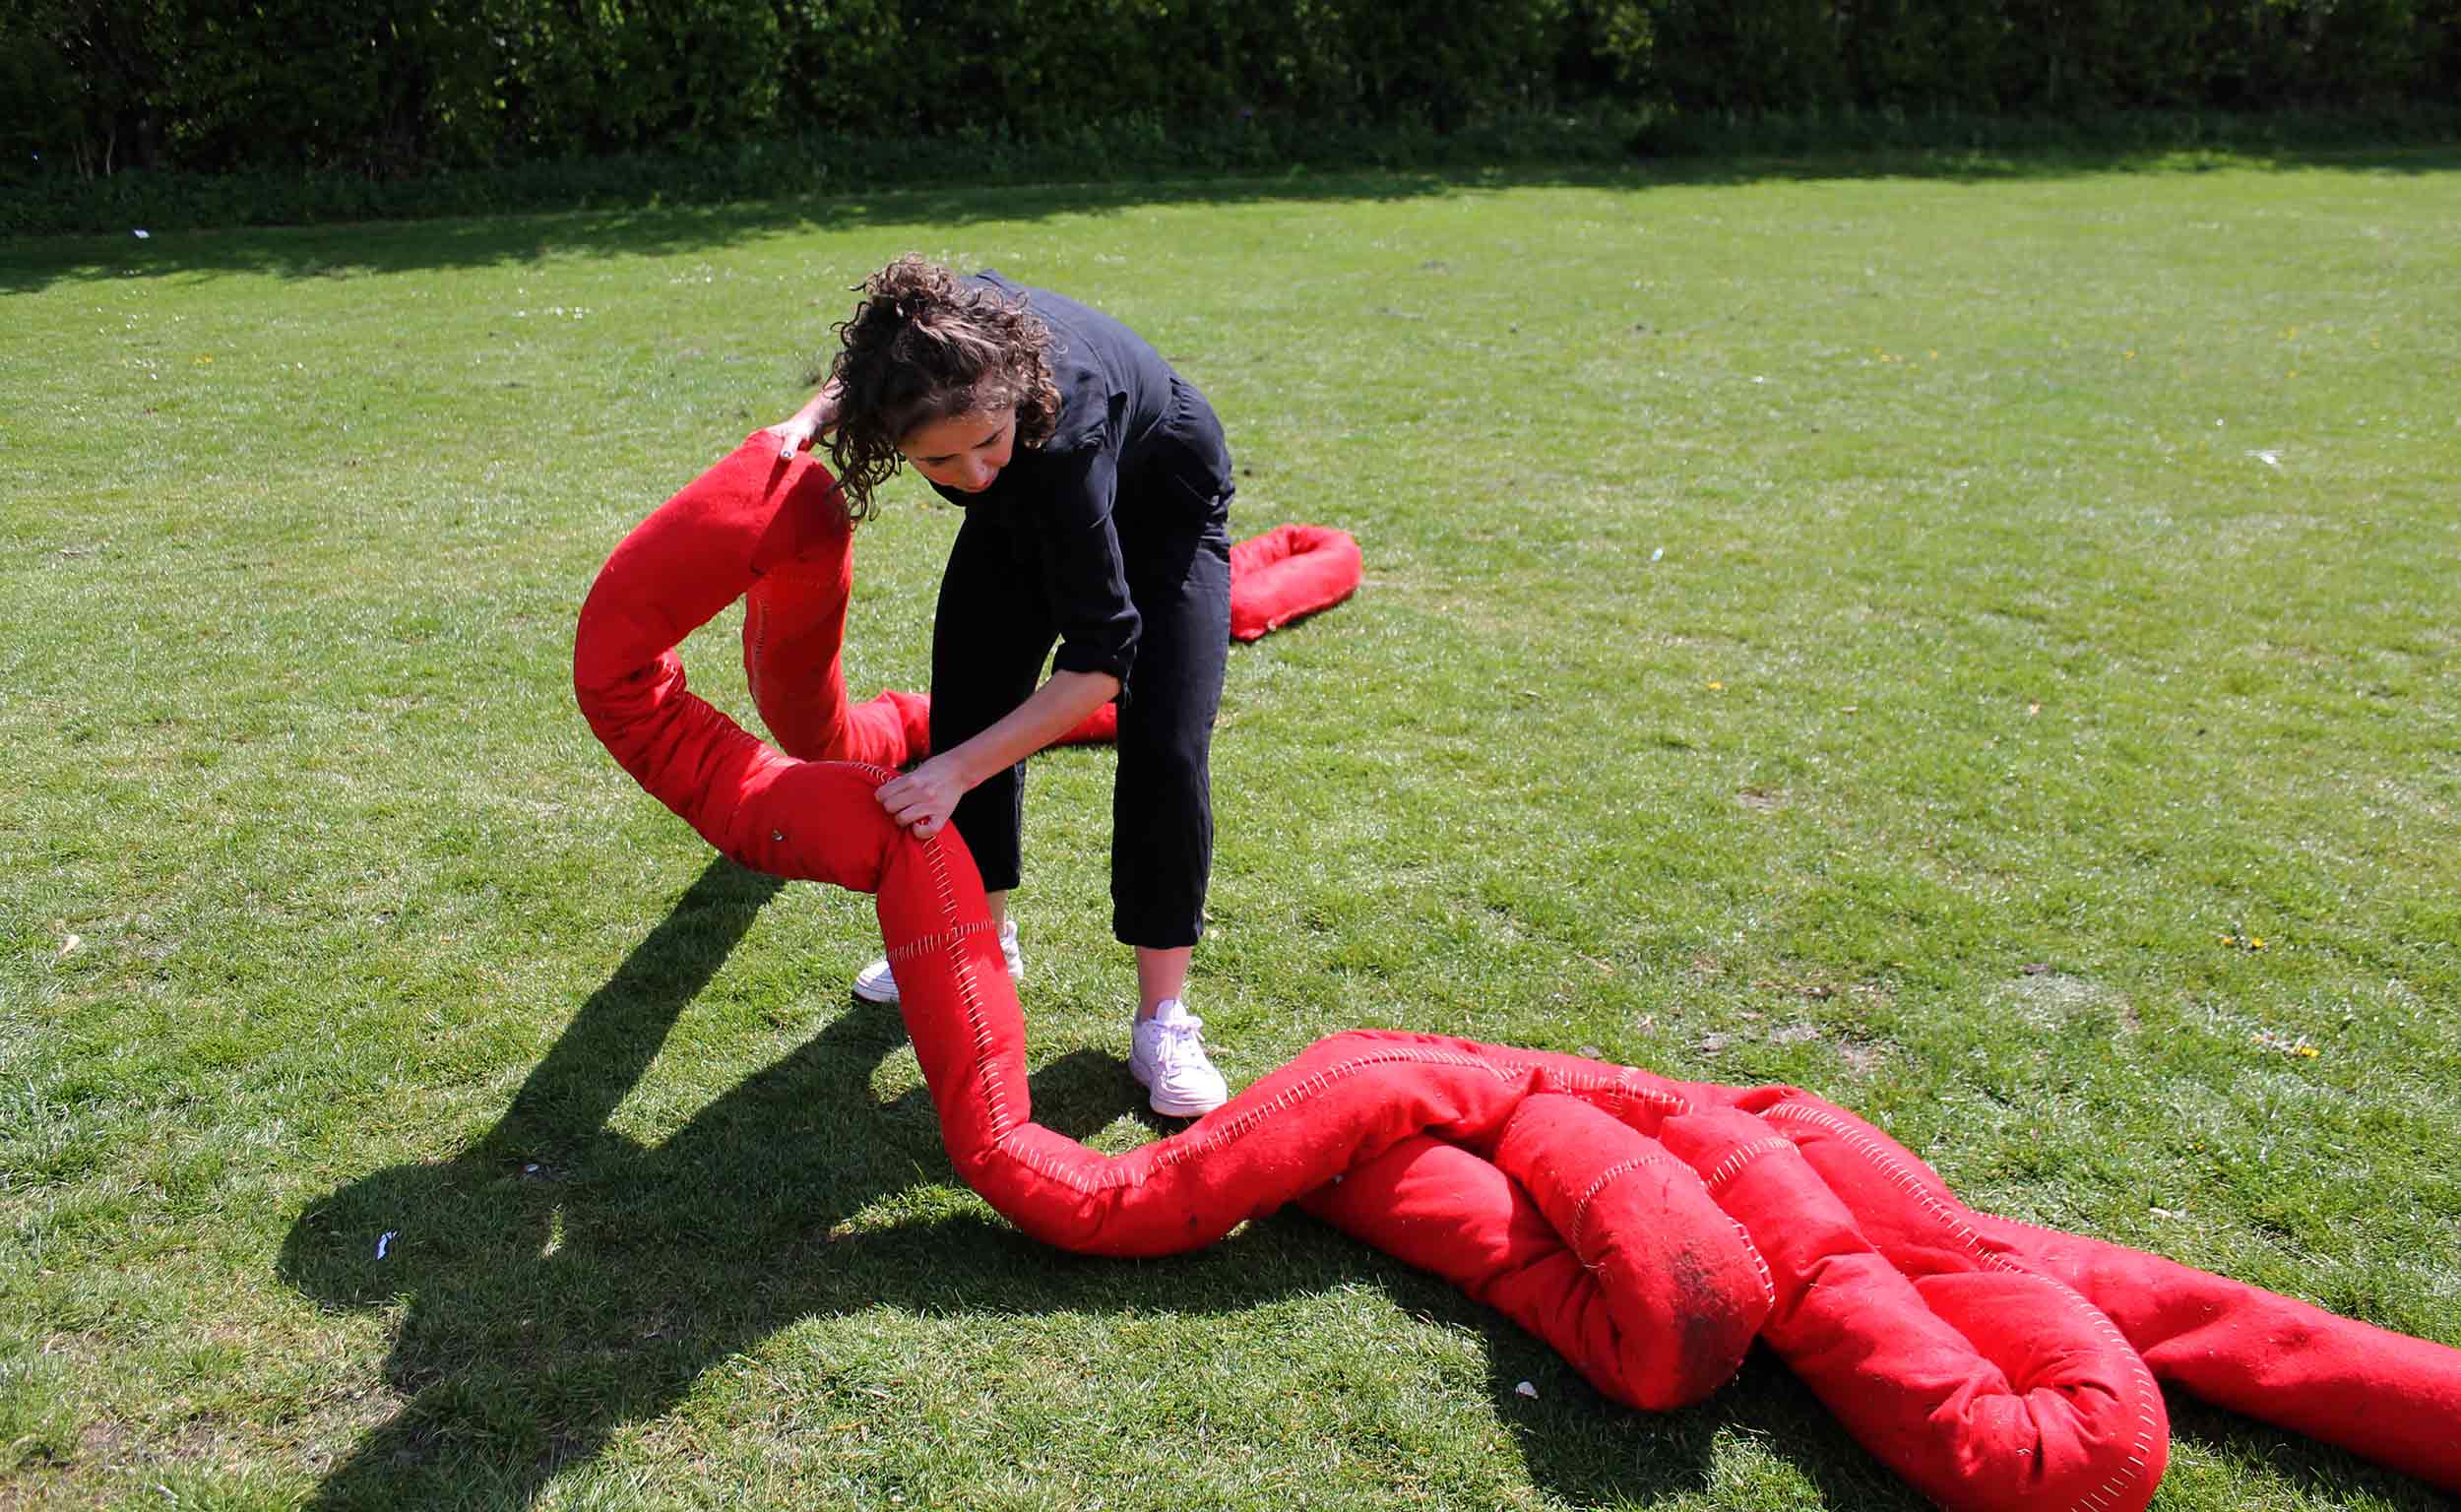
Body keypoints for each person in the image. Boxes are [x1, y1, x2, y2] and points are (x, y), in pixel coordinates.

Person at [766, 255, 1234, 1117]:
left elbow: (1099, 664)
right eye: (940, 462)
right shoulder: (931, 354)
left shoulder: (1065, 428)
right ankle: (981, 940)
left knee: (1165, 736)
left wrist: (951, 776)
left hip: (1161, 502)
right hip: (1039, 496)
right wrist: (805, 420)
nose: (973, 473)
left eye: (985, 442)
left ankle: (1163, 1018)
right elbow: (872, 367)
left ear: (1014, 392)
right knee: (971, 698)